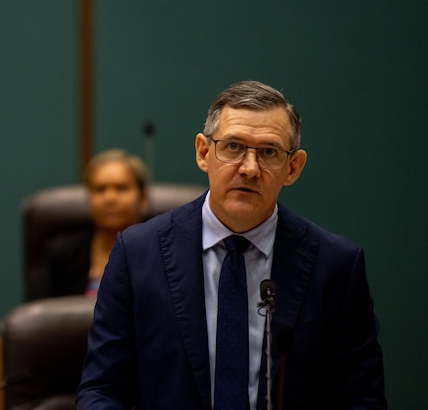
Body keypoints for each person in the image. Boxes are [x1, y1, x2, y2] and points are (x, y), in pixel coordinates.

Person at [76, 81, 385, 409]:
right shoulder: (138, 254)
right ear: (204, 153)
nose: (249, 168)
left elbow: (362, 399)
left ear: (293, 168)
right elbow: (102, 390)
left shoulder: (335, 265)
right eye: (233, 146)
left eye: (268, 152)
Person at [30, 149, 148, 299]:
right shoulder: (62, 254)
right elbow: (40, 314)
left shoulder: (162, 252)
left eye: (121, 188)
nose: (109, 198)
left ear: (143, 198)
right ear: (88, 198)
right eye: (99, 190)